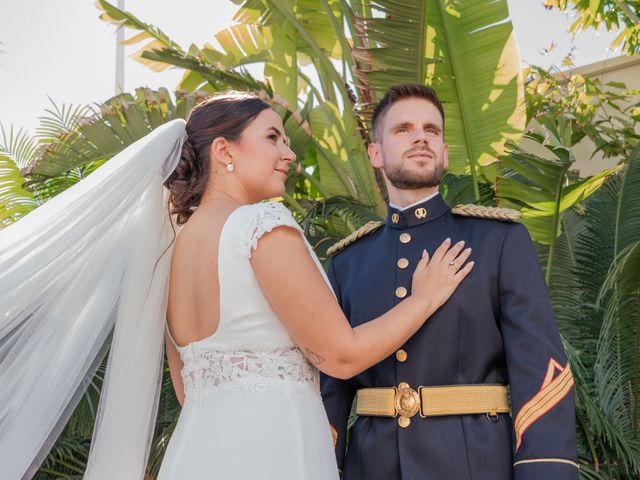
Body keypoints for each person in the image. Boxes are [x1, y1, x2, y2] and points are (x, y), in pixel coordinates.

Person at [0, 91, 473, 479]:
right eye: (272, 138)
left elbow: (187, 386)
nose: (288, 153)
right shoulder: (262, 225)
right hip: (275, 451)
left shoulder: (170, 250)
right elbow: (340, 354)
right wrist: (424, 298)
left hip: (196, 453)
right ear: (224, 151)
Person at [321, 84, 578, 480]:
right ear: (375, 153)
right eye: (403, 129)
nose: (421, 136)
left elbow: (541, 370)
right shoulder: (347, 262)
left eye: (432, 130)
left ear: (443, 152)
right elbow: (330, 391)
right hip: (370, 467)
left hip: (475, 464)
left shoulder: (497, 241)